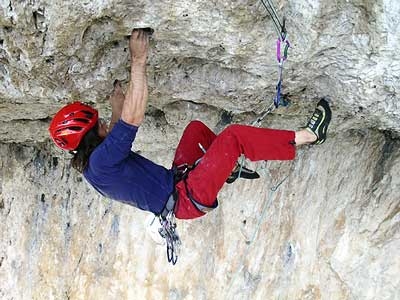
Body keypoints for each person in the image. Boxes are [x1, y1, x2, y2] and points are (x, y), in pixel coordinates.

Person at [49, 28, 332, 220]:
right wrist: (138, 60)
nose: (104, 125)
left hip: (179, 182)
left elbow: (114, 134)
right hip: (188, 196)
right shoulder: (102, 161)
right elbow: (132, 119)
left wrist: (115, 107)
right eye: (99, 124)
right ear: (91, 136)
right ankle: (307, 136)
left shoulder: (94, 165)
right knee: (233, 137)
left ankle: (227, 169)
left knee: (195, 130)